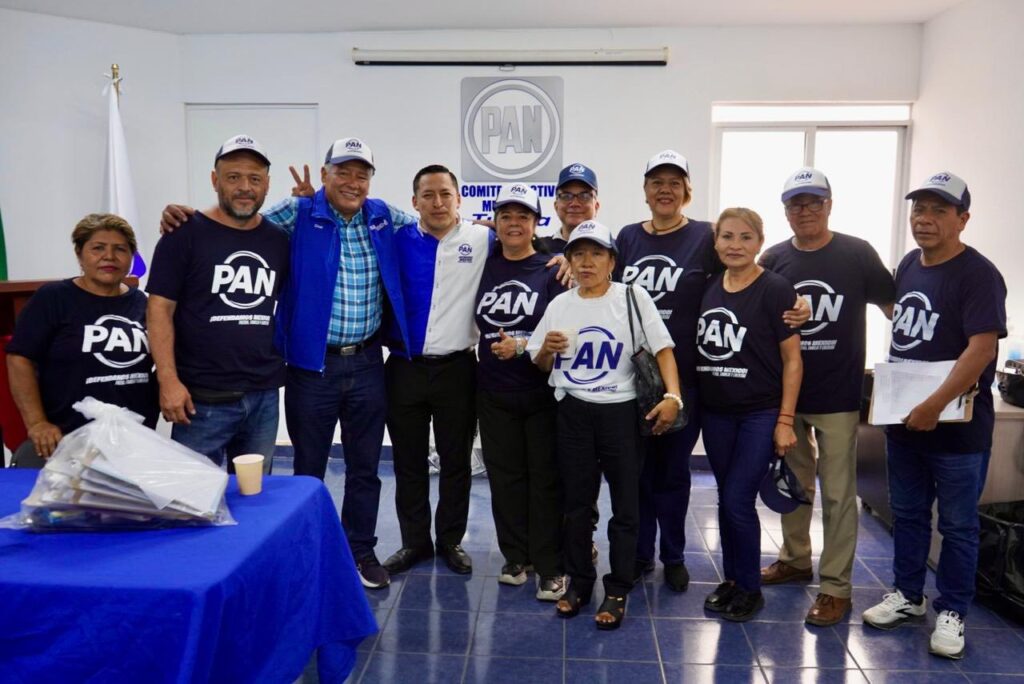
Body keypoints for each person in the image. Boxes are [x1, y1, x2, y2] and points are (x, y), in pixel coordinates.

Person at [160, 137, 417, 590]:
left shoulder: (382, 216)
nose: (352, 182)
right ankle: (305, 549)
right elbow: (238, 218)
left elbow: (433, 228)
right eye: (342, 172)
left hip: (367, 364)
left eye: (361, 174)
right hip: (311, 368)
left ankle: (360, 549)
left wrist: (487, 234)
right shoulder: (296, 213)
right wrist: (184, 215)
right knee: (307, 469)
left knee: (365, 468)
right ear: (325, 174)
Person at [862, 172, 1006, 660]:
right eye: (918, 209)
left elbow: (981, 350)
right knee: (907, 514)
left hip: (956, 431)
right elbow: (905, 320)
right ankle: (908, 595)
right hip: (905, 423)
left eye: (938, 211)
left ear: (963, 219)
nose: (924, 219)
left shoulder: (978, 275)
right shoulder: (909, 264)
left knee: (959, 526)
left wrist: (933, 404)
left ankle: (953, 611)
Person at [758, 167, 896, 626]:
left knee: (838, 494)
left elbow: (894, 308)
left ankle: (836, 587)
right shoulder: (774, 258)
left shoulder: (857, 253)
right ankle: (795, 559)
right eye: (795, 204)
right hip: (789, 396)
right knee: (794, 484)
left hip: (838, 395)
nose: (805, 211)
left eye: (813, 202)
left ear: (829, 205)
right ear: (785, 211)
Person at [528, 220, 682, 631]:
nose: (587, 262)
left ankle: (618, 588)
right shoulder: (560, 304)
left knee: (626, 506)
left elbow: (663, 350)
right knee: (577, 505)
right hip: (574, 413)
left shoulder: (632, 297)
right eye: (578, 254)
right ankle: (579, 582)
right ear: (570, 260)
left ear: (612, 261)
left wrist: (673, 396)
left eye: (596, 254)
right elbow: (540, 363)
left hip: (622, 414)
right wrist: (546, 350)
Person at [147, 134, 289, 478]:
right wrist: (168, 380)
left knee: (255, 494)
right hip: (201, 400)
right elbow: (159, 310)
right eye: (233, 177)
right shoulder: (183, 234)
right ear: (215, 180)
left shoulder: (278, 240)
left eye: (254, 179)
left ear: (267, 184)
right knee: (190, 496)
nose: (245, 188)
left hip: (263, 397)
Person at [380, 165, 494, 578]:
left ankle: (450, 541)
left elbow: (528, 246)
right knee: (408, 462)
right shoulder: (396, 240)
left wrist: (560, 257)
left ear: (459, 198)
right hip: (404, 368)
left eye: (445, 194)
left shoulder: (483, 239)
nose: (438, 202)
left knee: (456, 461)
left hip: (458, 369)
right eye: (428, 195)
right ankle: (414, 542)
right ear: (415, 202)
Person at [615, 149, 718, 592]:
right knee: (637, 472)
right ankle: (641, 553)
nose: (665, 190)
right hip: (632, 377)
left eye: (675, 183)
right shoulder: (627, 237)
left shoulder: (705, 236)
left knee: (674, 473)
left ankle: (674, 555)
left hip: (684, 377)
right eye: (657, 182)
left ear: (687, 191)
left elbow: (745, 269)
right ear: (645, 190)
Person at [697, 208, 802, 622]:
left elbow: (792, 360)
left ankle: (750, 588)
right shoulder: (709, 286)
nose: (735, 245)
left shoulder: (775, 288)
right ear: (716, 242)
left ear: (759, 242)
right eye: (727, 236)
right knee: (726, 498)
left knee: (739, 500)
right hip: (716, 413)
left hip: (759, 412)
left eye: (745, 237)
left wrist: (785, 420)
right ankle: (733, 580)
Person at [474, 184, 566, 600]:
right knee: (505, 479)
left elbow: (564, 331)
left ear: (536, 223)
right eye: (506, 216)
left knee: (544, 480)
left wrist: (523, 344)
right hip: (493, 392)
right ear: (495, 222)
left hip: (541, 393)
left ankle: (550, 566)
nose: (514, 224)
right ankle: (515, 557)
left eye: (523, 216)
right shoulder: (483, 264)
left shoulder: (553, 269)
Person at [6, 213, 158, 460]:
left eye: (120, 249)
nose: (109, 256)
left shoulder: (142, 303)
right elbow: (19, 359)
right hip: (67, 441)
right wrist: (37, 423)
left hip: (135, 442)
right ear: (79, 254)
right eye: (98, 248)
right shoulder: (53, 298)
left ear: (132, 257)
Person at [538, 163, 600, 254]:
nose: (575, 203)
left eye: (584, 196)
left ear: (596, 206)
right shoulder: (538, 249)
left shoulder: (613, 250)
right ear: (556, 206)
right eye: (566, 196)